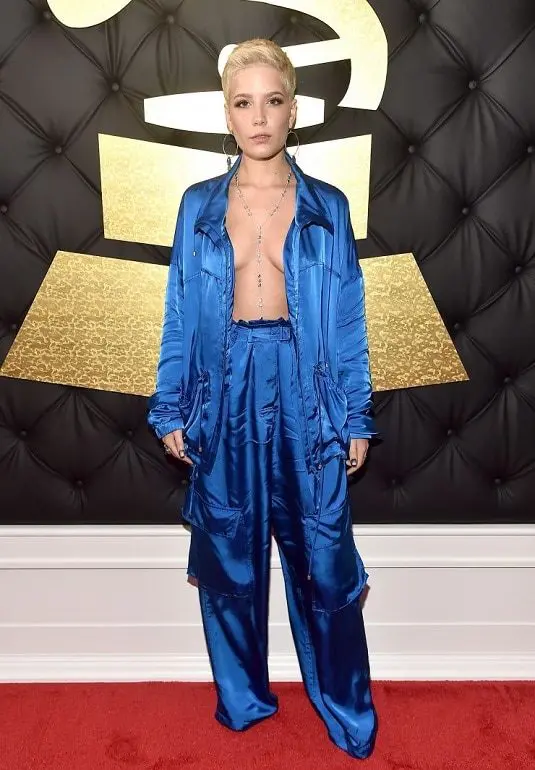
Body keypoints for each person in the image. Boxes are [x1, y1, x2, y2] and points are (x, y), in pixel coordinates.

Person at [147, 38, 380, 760]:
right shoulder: (197, 206)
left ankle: (345, 707)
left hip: (307, 387)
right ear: (227, 114)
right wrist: (170, 403)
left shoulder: (327, 207)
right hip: (223, 386)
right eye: (243, 103)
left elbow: (347, 317)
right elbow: (179, 308)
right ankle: (243, 699)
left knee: (324, 554)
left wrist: (355, 415)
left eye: (272, 101)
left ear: (293, 110)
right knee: (227, 549)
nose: (258, 117)